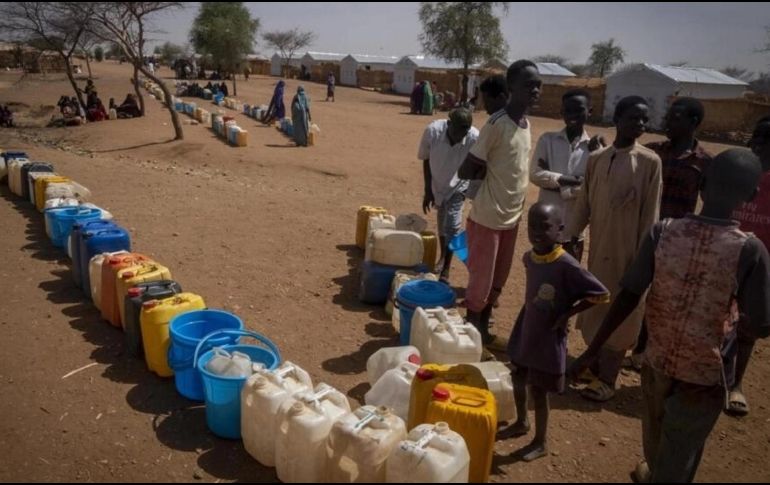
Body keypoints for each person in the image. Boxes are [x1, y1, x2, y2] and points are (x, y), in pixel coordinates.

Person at [570, 148, 770, 483]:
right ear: (751, 195)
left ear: (701, 185)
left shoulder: (662, 232)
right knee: (679, 450)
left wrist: (592, 350)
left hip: (657, 362)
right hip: (704, 376)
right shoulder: (751, 251)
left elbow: (628, 296)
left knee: (658, 439)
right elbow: (761, 324)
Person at [565, 96, 662, 402]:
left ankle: (608, 378)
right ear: (617, 119)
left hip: (630, 254)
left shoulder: (649, 162)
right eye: (634, 118)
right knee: (596, 305)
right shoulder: (597, 159)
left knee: (624, 313)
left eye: (644, 120)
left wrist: (644, 260)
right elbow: (584, 205)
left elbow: (651, 216)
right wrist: (570, 237)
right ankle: (594, 366)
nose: (641, 125)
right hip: (599, 249)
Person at [503, 202, 609, 462]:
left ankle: (541, 441)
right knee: (518, 375)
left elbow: (601, 293)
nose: (537, 231)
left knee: (539, 390)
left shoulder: (567, 265)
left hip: (548, 335)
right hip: (527, 326)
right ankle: (521, 421)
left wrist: (566, 314)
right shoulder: (530, 257)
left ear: (560, 231)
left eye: (545, 226)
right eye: (532, 226)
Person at [457, 59, 542, 351]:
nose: (536, 90)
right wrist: (485, 172)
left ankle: (484, 334)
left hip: (511, 218)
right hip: (488, 218)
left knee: (498, 281)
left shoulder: (526, 125)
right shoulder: (496, 124)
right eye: (529, 85)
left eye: (539, 85)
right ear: (512, 88)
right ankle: (471, 342)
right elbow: (467, 168)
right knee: (480, 283)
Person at [628, 97, 713, 370]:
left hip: (678, 239)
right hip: (644, 233)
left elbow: (709, 202)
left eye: (676, 117)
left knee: (662, 295)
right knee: (635, 288)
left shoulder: (703, 163)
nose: (667, 122)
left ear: (694, 123)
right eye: (668, 116)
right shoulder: (653, 152)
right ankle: (631, 345)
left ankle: (645, 349)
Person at [724, 115, 770, 417]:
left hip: (759, 264)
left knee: (747, 328)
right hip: (725, 258)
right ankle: (710, 378)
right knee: (718, 322)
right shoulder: (737, 173)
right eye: (760, 142)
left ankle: (735, 385)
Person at [530, 89, 605, 262]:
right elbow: (535, 175)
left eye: (578, 110)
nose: (572, 114)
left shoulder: (595, 149)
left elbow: (595, 185)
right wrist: (574, 181)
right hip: (546, 226)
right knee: (543, 274)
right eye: (567, 110)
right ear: (561, 112)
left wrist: (554, 181)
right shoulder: (547, 140)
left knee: (570, 276)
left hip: (575, 226)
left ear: (590, 111)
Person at [419, 108, 480, 282]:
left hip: (460, 184)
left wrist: (473, 189)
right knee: (442, 221)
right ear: (448, 124)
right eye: (457, 129)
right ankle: (444, 255)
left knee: (452, 224)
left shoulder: (474, 137)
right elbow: (425, 159)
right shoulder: (433, 132)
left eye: (465, 130)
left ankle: (446, 269)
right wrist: (427, 190)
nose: (461, 134)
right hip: (438, 183)